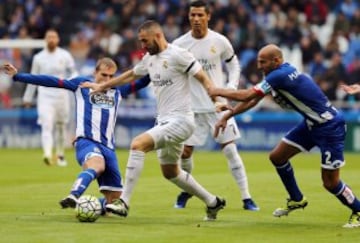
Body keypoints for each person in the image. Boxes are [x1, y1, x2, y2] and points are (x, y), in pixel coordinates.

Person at [81, 20, 226, 221]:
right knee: (171, 172)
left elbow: (203, 78)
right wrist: (102, 87)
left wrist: (217, 100)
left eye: (144, 41)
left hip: (182, 120)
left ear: (157, 35)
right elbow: (130, 75)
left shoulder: (178, 54)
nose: (142, 46)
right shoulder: (149, 59)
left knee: (137, 144)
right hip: (164, 121)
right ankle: (213, 202)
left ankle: (124, 202)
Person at [209, 44, 360, 228]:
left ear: (276, 61)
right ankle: (296, 199)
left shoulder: (278, 76)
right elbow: (254, 99)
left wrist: (217, 90)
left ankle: (358, 210)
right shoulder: (280, 73)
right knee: (277, 157)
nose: (259, 66)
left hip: (330, 127)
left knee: (330, 182)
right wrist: (228, 115)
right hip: (312, 124)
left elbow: (248, 94)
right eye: (258, 62)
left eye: (262, 62)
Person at [2, 58, 151, 215]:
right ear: (95, 72)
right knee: (97, 166)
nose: (107, 79)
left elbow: (141, 83)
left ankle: (91, 206)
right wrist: (18, 76)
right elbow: (52, 81)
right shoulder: (82, 85)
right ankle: (74, 195)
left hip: (108, 147)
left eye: (111, 76)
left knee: (114, 201)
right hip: (86, 141)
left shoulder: (118, 90)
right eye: (103, 74)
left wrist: (155, 67)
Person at [171, 0, 258, 210]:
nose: (196, 19)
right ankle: (187, 189)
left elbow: (233, 63)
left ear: (208, 17)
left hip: (218, 106)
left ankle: (247, 198)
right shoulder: (179, 44)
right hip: (191, 109)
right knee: (185, 153)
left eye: (200, 15)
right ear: (188, 17)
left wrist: (230, 88)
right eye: (192, 15)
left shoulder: (219, 41)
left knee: (229, 150)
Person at [22, 28, 78, 166]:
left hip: (61, 95)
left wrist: (70, 82)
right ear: (45, 40)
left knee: (60, 126)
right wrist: (27, 97)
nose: (51, 39)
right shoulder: (38, 57)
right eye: (49, 37)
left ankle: (60, 154)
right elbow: (33, 78)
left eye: (54, 37)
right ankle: (47, 153)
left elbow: (74, 72)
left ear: (58, 39)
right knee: (46, 125)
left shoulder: (65, 55)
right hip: (45, 96)